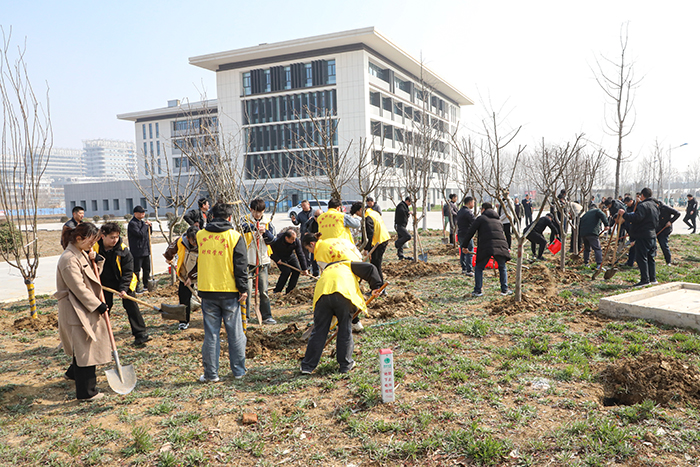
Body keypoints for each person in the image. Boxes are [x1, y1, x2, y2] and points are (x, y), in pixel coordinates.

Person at [299, 236, 383, 375]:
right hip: (343, 293)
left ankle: (307, 366)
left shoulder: (327, 268)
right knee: (345, 328)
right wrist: (376, 287)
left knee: (319, 330)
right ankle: (345, 364)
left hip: (322, 295)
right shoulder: (348, 264)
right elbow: (370, 268)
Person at [56, 222, 110, 401]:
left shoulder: (80, 253)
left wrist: (98, 260)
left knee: (82, 347)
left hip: (83, 306)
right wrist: (97, 305)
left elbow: (92, 277)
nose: (93, 245)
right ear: (79, 238)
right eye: (91, 241)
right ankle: (87, 392)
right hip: (75, 308)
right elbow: (78, 288)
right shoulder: (69, 259)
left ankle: (73, 374)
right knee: (84, 349)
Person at [196, 203, 248, 382]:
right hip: (229, 291)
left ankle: (211, 374)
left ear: (211, 216)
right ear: (230, 218)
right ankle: (239, 371)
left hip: (207, 290)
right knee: (235, 333)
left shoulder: (200, 235)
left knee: (211, 334)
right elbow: (241, 266)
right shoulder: (235, 236)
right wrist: (243, 288)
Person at [93, 222, 150, 345]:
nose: (115, 240)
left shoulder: (123, 250)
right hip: (103, 283)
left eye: (117, 237)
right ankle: (99, 336)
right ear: (103, 236)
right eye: (112, 237)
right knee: (103, 307)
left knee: (131, 305)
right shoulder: (94, 249)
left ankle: (141, 334)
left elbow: (128, 272)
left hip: (123, 280)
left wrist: (124, 289)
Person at [461, 202, 511, 297]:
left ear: (483, 209)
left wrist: (464, 246)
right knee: (502, 267)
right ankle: (504, 290)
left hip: (486, 246)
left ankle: (478, 291)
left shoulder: (481, 219)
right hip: (501, 246)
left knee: (479, 268)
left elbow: (470, 232)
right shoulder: (498, 220)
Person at [241, 198, 276, 325]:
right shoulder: (244, 220)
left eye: (260, 212)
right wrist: (254, 228)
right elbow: (241, 229)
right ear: (251, 210)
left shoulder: (268, 222)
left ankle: (266, 315)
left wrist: (265, 232)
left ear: (263, 211)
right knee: (247, 290)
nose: (257, 214)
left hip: (262, 260)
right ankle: (245, 316)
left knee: (264, 290)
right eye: (255, 212)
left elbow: (273, 240)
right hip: (248, 261)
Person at [619, 187, 659, 287]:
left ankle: (645, 280)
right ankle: (652, 278)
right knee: (650, 257)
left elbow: (637, 218)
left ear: (642, 195)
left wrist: (624, 215)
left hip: (643, 235)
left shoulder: (643, 205)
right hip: (652, 234)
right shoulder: (654, 205)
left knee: (641, 258)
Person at [163, 225, 199, 330]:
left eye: (197, 240)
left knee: (206, 298)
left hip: (199, 273)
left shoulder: (203, 245)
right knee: (183, 298)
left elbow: (202, 263)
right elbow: (171, 249)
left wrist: (191, 277)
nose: (195, 243)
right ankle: (183, 321)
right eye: (193, 241)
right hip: (184, 275)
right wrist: (169, 257)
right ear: (187, 238)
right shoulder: (180, 241)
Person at [352, 201, 390, 282]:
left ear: (361, 209)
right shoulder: (373, 212)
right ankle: (379, 284)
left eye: (357, 213)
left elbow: (369, 234)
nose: (358, 215)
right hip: (383, 238)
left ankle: (379, 285)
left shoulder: (367, 217)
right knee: (375, 264)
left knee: (375, 265)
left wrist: (366, 249)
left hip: (378, 242)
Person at [270, 229, 309, 294]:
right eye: (292, 239)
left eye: (295, 239)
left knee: (297, 271)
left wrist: (304, 268)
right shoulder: (277, 240)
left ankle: (290, 291)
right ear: (286, 238)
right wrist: (276, 259)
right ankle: (277, 291)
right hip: (280, 257)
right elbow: (270, 250)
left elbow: (300, 254)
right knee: (286, 272)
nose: (294, 240)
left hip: (290, 256)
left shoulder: (296, 241)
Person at [127, 206, 152, 294]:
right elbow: (140, 234)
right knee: (136, 270)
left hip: (145, 250)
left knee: (147, 269)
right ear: (135, 213)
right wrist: (146, 226)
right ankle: (136, 287)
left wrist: (150, 226)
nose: (143, 214)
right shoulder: (132, 223)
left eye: (143, 212)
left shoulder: (143, 223)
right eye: (141, 213)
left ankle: (146, 285)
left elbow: (148, 233)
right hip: (137, 251)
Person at [654, 199, 680, 266]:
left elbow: (678, 213)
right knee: (652, 244)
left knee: (663, 245)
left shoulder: (665, 208)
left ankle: (668, 261)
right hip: (656, 229)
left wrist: (670, 221)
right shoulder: (654, 209)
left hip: (664, 229)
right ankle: (653, 257)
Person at [456, 196, 476, 276]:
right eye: (473, 202)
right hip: (467, 234)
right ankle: (469, 270)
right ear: (470, 203)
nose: (473, 204)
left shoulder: (460, 211)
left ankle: (464, 268)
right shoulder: (468, 212)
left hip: (460, 234)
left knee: (463, 251)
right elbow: (475, 222)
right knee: (469, 251)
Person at [394, 196, 413, 260]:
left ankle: (400, 255)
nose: (410, 204)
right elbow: (401, 211)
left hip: (403, 225)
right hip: (399, 225)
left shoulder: (405, 206)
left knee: (401, 238)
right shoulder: (401, 205)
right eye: (410, 203)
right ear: (407, 201)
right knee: (408, 236)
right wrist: (407, 212)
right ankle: (397, 243)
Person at [305, 209, 322, 277]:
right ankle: (315, 273)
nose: (316, 218)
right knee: (313, 259)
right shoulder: (311, 221)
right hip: (314, 243)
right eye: (315, 216)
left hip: (322, 243)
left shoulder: (325, 222)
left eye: (318, 216)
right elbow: (305, 226)